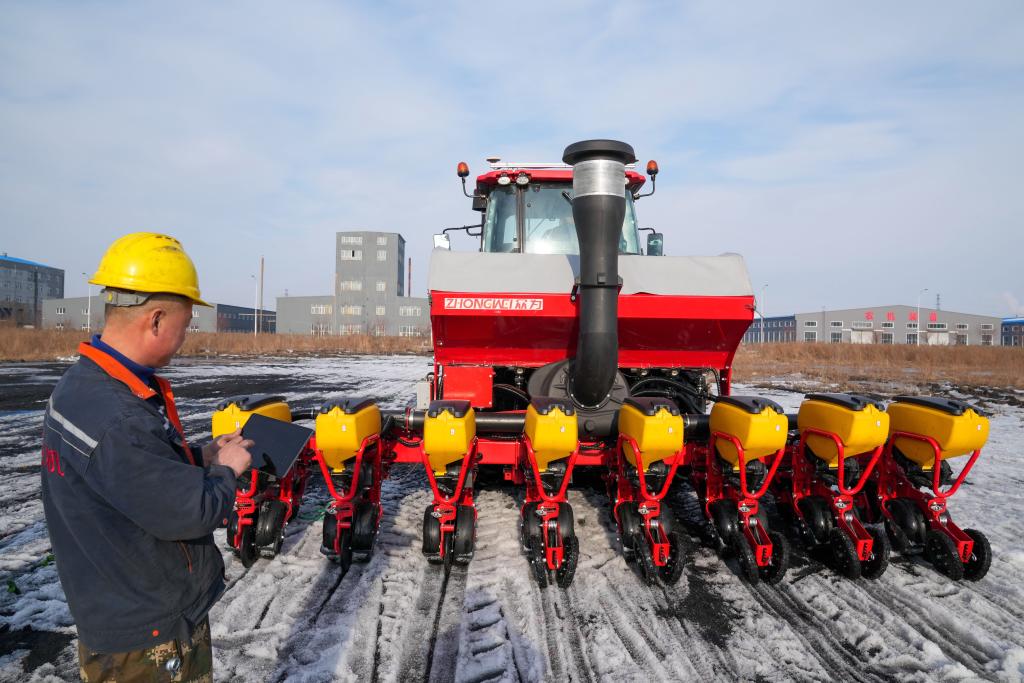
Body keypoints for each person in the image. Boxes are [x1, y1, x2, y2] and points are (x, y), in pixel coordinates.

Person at [40, 232, 253, 682]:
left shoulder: (82, 386)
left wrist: (199, 456)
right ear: (156, 320)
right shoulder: (120, 417)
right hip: (148, 637)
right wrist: (225, 469)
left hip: (113, 603)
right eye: (186, 323)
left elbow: (130, 476)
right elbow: (191, 513)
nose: (185, 337)